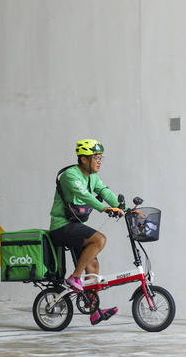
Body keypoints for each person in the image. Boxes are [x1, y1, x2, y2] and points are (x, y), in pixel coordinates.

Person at [49, 139, 125, 325]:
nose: (99, 161)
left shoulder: (93, 177)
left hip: (75, 228)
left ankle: (93, 311)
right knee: (99, 240)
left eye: (101, 158)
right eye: (95, 158)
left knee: (93, 267)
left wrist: (126, 209)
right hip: (62, 226)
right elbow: (85, 195)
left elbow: (106, 193)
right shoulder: (70, 175)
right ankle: (75, 278)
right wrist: (105, 209)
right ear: (84, 159)